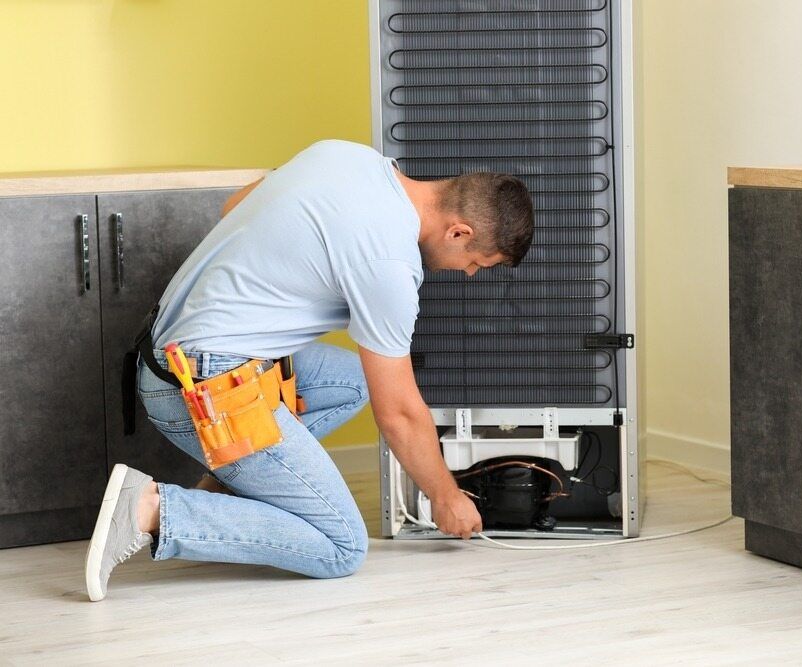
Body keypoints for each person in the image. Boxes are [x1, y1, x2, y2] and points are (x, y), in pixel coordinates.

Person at [84, 139, 534, 601]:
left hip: (167, 353)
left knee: (355, 380)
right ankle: (149, 510)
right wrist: (445, 496)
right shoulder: (390, 264)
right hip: (200, 389)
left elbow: (234, 207)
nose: (470, 274)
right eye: (478, 262)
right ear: (458, 232)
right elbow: (398, 413)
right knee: (341, 546)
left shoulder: (347, 156)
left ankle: (229, 486)